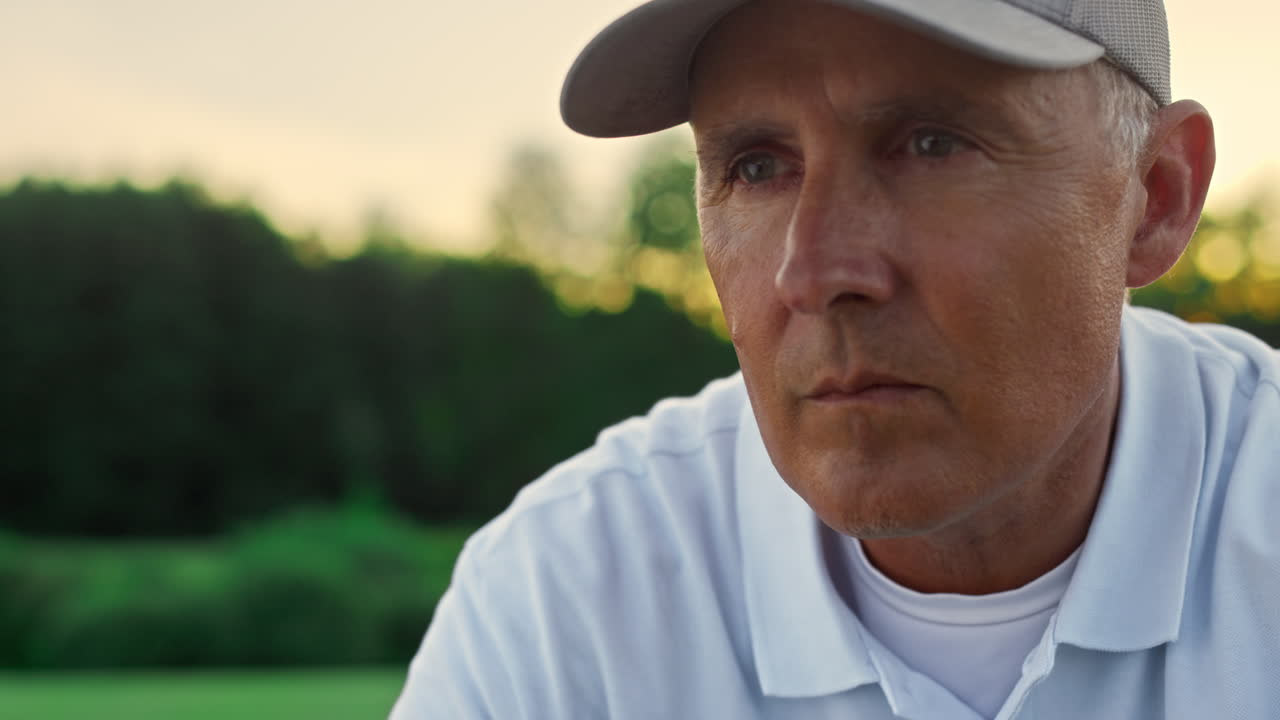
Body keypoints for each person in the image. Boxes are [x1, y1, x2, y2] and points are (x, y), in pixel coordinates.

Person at [392, 1, 1280, 717]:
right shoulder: (570, 595)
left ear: (1156, 196)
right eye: (756, 167)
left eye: (933, 143)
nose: (814, 273)